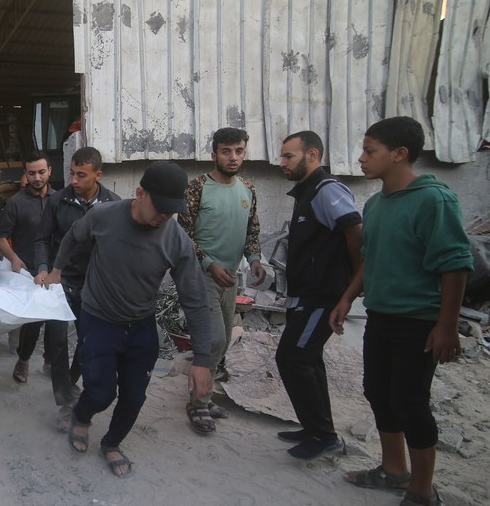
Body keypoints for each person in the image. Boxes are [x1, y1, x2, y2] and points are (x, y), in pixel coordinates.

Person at [329, 117, 473, 506]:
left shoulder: (434, 199)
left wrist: (447, 324)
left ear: (399, 153)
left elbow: (455, 264)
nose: (360, 158)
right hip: (381, 315)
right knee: (379, 392)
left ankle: (423, 491)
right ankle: (394, 470)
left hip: (419, 321)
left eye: (369, 151)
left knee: (410, 401)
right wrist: (347, 298)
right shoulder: (375, 204)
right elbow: (369, 259)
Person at [45, 161, 213, 478]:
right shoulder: (103, 215)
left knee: (135, 395)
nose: (165, 215)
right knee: (101, 392)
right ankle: (81, 417)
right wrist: (56, 269)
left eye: (172, 210)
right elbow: (73, 235)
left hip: (141, 325)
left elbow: (195, 298)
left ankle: (111, 443)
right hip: (98, 318)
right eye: (160, 207)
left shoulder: (176, 239)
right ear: (140, 193)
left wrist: (202, 358)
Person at [274, 131, 362, 459]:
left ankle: (323, 436)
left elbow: (355, 232)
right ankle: (316, 428)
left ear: (312, 155)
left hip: (322, 297)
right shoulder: (306, 193)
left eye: (288, 156)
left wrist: (353, 285)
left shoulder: (327, 190)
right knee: (308, 359)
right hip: (306, 296)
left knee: (292, 357)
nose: (281, 162)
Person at [177, 127, 265, 434]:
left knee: (224, 338)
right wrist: (209, 263)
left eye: (239, 151)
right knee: (212, 339)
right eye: (226, 151)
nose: (233, 157)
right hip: (202, 276)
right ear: (214, 153)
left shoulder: (247, 189)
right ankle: (198, 404)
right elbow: (183, 234)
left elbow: (252, 232)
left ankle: (204, 391)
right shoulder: (197, 187)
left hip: (231, 279)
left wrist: (254, 260)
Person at [34, 146, 120, 430]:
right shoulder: (58, 201)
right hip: (61, 283)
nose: (74, 180)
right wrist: (44, 269)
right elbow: (42, 239)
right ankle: (65, 403)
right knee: (57, 341)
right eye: (71, 173)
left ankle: (68, 383)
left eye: (81, 175)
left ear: (98, 174)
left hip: (94, 288)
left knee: (88, 344)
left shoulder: (112, 204)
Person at [0, 150, 60, 386]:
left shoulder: (60, 199)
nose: (37, 177)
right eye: (31, 173)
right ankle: (23, 359)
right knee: (32, 323)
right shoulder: (16, 203)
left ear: (49, 171)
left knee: (56, 322)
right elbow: (1, 237)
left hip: (56, 272)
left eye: (41, 172)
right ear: (26, 174)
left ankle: (50, 361)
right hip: (29, 273)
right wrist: (12, 257)